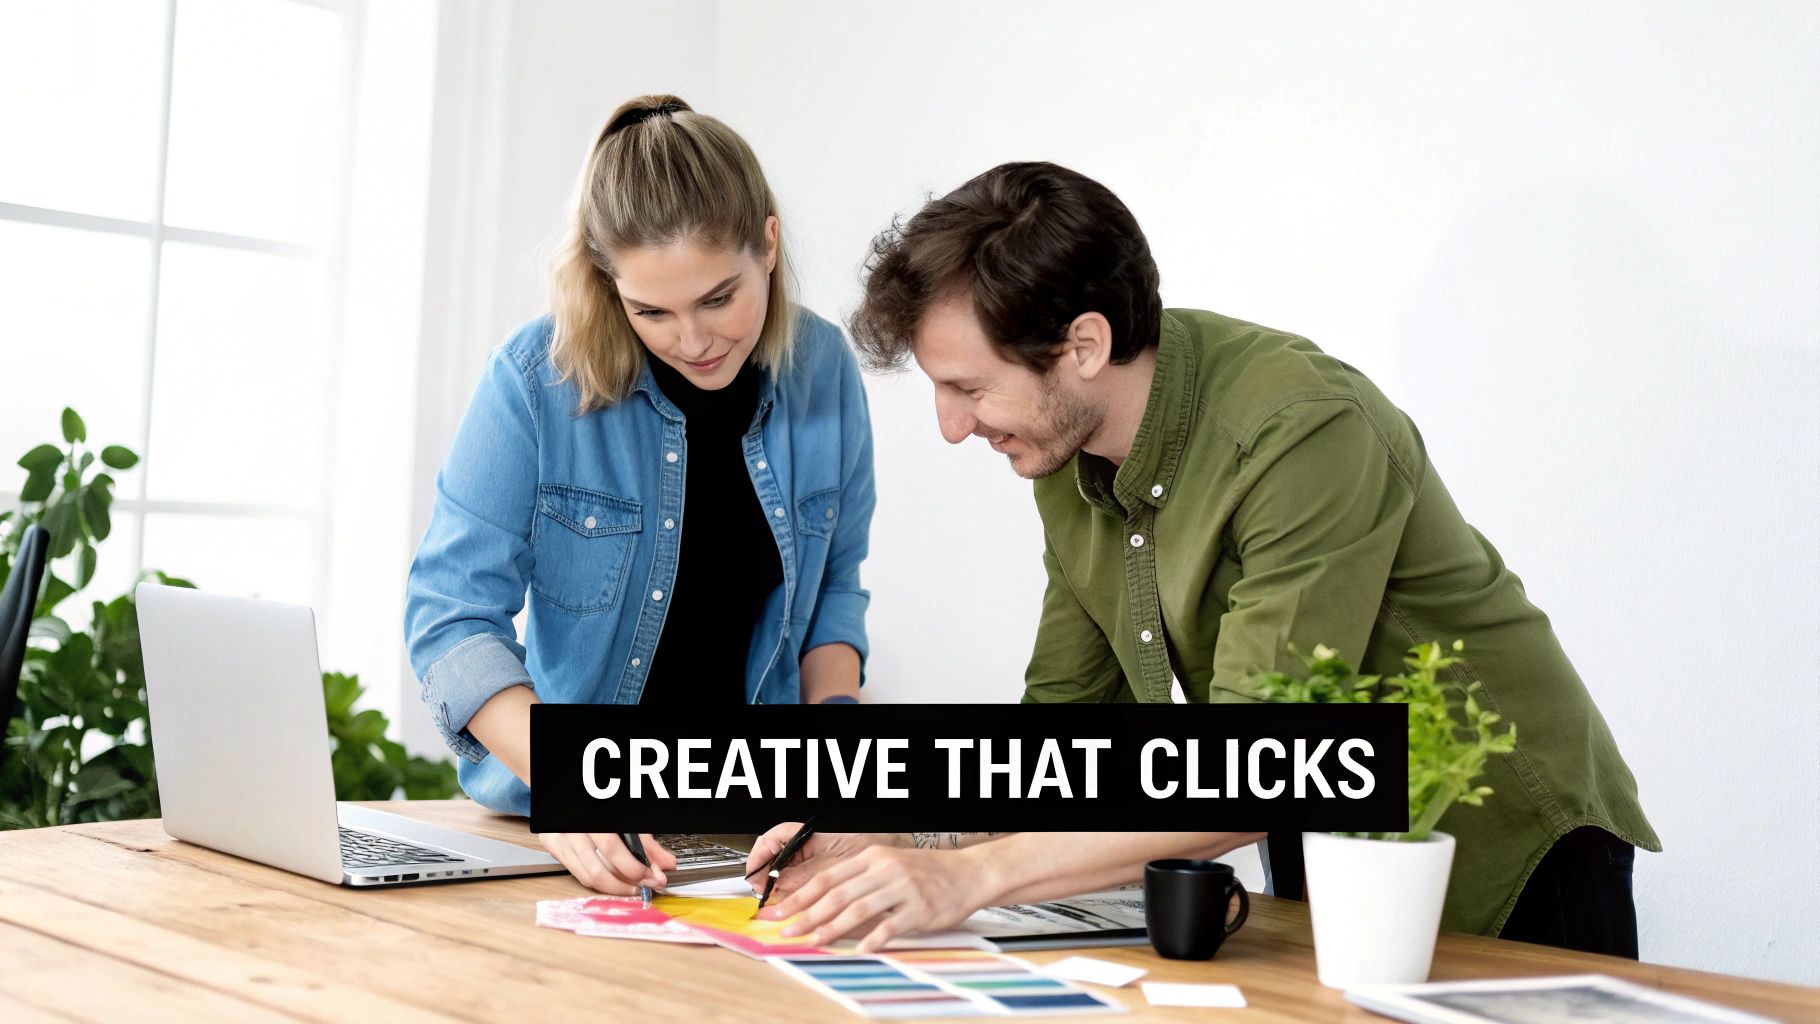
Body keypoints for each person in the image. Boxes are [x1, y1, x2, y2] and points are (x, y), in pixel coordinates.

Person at [744, 160, 1657, 957]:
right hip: (1330, 860)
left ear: (1084, 346)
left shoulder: (1298, 429)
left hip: (1506, 851)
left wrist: (969, 878)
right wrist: (902, 830)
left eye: (968, 388)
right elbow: (1069, 728)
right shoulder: (1068, 459)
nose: (951, 427)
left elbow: (1263, 759)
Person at [404, 96, 875, 896]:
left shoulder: (823, 369)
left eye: (720, 298)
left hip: (747, 834)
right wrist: (565, 784)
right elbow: (449, 614)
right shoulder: (534, 379)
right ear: (605, 281)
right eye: (651, 310)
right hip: (564, 831)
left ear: (768, 244)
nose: (693, 341)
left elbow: (833, 596)